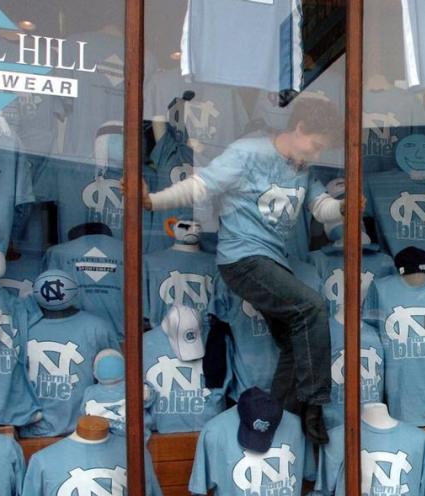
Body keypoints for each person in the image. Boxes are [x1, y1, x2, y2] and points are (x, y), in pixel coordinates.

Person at [141, 96, 344, 443]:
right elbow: (201, 186)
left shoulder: (301, 167)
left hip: (272, 261)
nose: (317, 154)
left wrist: (345, 208)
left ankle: (277, 418)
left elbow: (320, 207)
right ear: (299, 128)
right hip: (242, 259)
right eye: (316, 145)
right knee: (312, 308)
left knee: (298, 341)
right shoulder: (248, 153)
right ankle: (314, 405)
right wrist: (153, 201)